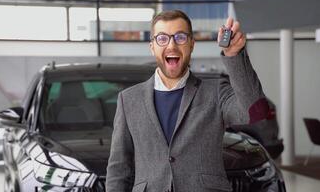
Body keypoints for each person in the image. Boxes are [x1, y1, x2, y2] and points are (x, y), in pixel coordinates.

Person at [106, 10, 270, 192]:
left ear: (192, 44)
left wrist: (234, 55)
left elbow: (256, 112)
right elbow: (119, 169)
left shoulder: (215, 92)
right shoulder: (129, 100)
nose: (172, 45)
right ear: (152, 46)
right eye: (162, 38)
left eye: (180, 37)